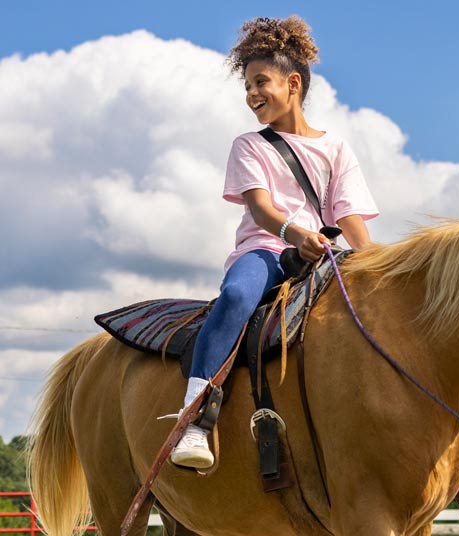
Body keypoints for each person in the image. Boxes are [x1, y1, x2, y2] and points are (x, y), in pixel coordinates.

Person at [171, 15, 379, 469]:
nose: (251, 94)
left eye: (260, 82)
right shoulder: (250, 145)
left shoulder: (337, 148)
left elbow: (349, 217)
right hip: (265, 251)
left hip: (323, 257)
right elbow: (263, 210)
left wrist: (378, 267)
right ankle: (193, 420)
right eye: (247, 86)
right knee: (237, 294)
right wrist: (297, 234)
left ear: (294, 83)